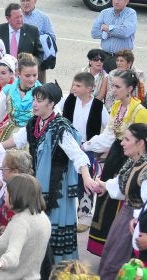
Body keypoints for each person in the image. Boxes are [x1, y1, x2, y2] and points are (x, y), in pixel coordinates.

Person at [2, 82, 94, 262]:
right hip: (38, 182)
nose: (35, 104)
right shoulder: (34, 123)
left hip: (56, 187)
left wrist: (87, 177)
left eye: (40, 100)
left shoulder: (60, 127)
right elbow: (16, 140)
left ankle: (56, 267)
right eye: (34, 99)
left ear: (52, 104)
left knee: (53, 227)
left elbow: (78, 155)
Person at [83, 69, 147, 256]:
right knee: (106, 201)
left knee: (121, 203)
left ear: (129, 89)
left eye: (117, 87)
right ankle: (106, 248)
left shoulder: (140, 112)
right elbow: (109, 135)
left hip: (131, 161)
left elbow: (142, 144)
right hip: (115, 156)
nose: (112, 90)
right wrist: (86, 146)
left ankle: (123, 251)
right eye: (112, 86)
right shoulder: (118, 106)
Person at [90, 123, 147, 278]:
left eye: (127, 139)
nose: (122, 143)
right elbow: (122, 185)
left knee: (120, 264)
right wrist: (103, 185)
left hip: (136, 221)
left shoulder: (145, 170)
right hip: (125, 216)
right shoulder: (133, 161)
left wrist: (140, 226)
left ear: (140, 143)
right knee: (111, 257)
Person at [56, 72, 109, 233]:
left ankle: (84, 215)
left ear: (89, 89)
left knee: (85, 182)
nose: (73, 88)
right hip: (67, 146)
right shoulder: (68, 100)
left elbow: (108, 129)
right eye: (73, 84)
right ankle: (62, 213)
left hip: (87, 149)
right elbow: (56, 111)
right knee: (62, 179)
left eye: (78, 86)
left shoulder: (99, 106)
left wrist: (94, 145)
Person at [0, 174, 51, 279]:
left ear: (15, 195)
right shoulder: (43, 218)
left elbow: (12, 257)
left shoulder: (20, 223)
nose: (4, 195)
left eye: (6, 192)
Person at [0, 52, 41, 141]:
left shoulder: (42, 92)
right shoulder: (8, 90)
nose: (32, 79)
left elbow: (53, 115)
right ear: (18, 73)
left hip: (33, 135)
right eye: (27, 75)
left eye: (35, 75)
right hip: (11, 134)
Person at [90, 0, 136, 73]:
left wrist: (108, 28)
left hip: (122, 58)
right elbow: (94, 33)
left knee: (119, 82)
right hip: (104, 56)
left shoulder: (130, 13)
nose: (116, 2)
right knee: (101, 81)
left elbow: (124, 32)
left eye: (120, 0)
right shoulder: (105, 12)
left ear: (126, 1)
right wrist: (113, 31)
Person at [21, 0, 56, 82]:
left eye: (28, 1)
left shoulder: (43, 17)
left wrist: (38, 40)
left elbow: (52, 38)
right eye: (23, 1)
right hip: (19, 60)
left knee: (39, 90)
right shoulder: (17, 16)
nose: (25, 3)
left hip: (37, 61)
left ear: (35, 1)